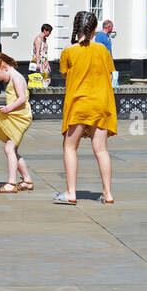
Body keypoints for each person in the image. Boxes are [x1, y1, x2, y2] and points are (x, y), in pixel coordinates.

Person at [54, 11, 118, 205]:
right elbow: (108, 71)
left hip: (78, 104)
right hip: (101, 103)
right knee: (101, 150)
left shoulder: (68, 51)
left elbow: (65, 75)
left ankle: (71, 192)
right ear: (95, 29)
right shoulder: (102, 50)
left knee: (70, 147)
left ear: (76, 28)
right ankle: (108, 193)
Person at [0, 52, 34, 193]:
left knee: (9, 149)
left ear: (4, 67)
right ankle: (27, 180)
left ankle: (11, 183)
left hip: (20, 118)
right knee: (13, 149)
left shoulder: (16, 78)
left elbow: (22, 98)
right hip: (18, 116)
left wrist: (8, 108)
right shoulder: (14, 77)